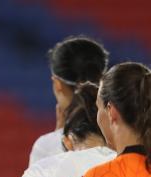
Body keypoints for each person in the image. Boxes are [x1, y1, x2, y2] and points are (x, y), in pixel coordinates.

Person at [29, 36, 109, 166]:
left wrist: (56, 136)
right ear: (102, 78)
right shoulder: (121, 134)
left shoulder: (45, 147)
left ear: (57, 84)